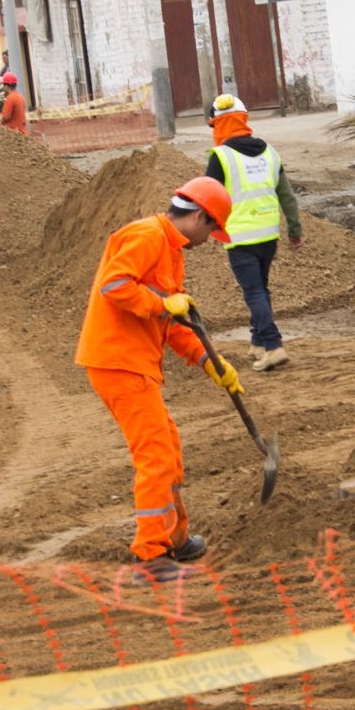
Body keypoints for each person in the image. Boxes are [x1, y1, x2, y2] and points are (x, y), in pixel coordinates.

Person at [75, 176, 244, 575]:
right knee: (155, 456)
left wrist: (210, 362)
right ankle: (150, 553)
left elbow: (174, 321)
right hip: (118, 362)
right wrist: (161, 302)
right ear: (200, 217)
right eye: (212, 230)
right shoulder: (148, 235)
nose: (210, 240)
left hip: (134, 363)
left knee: (168, 446)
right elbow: (114, 285)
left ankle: (175, 538)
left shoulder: (171, 250)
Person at [201, 94, 304, 372]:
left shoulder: (221, 156)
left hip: (240, 237)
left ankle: (273, 346)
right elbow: (287, 196)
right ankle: (258, 342)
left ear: (217, 125)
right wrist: (295, 229)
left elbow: (208, 196)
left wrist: (204, 229)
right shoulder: (270, 152)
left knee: (254, 291)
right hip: (269, 236)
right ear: (244, 120)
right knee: (261, 288)